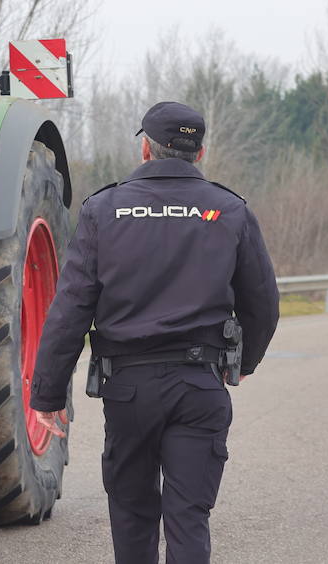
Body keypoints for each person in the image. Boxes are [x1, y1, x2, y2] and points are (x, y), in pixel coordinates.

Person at [28, 101, 280, 564]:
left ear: (146, 148)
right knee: (188, 518)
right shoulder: (230, 211)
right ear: (199, 153)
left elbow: (70, 310)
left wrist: (46, 395)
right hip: (199, 385)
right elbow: (263, 303)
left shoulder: (103, 210)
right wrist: (241, 364)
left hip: (128, 389)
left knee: (132, 513)